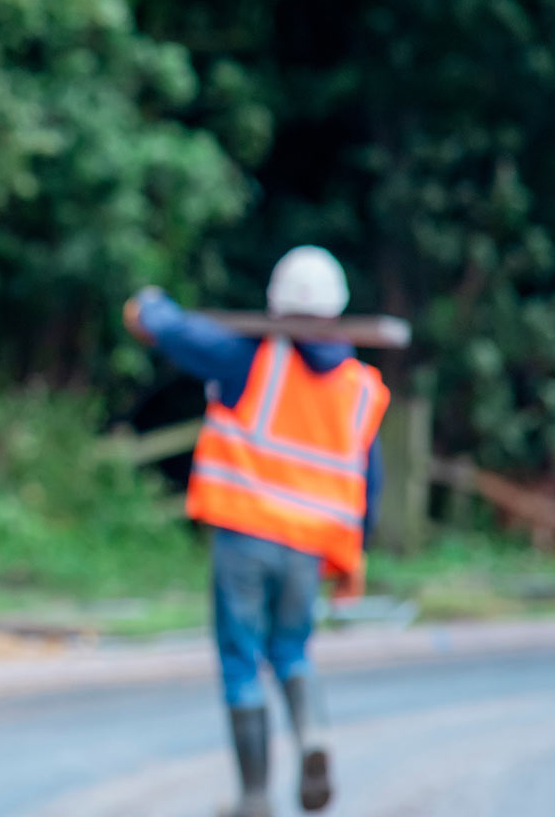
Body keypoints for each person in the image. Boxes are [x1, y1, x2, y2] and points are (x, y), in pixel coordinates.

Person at [123, 246, 390, 817]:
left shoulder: (251, 359)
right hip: (309, 550)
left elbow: (174, 331)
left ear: (277, 301)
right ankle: (313, 736)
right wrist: (353, 559)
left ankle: (253, 798)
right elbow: (371, 480)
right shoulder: (358, 388)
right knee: (292, 649)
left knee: (241, 658)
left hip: (246, 535)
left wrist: (148, 307)